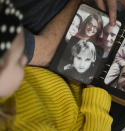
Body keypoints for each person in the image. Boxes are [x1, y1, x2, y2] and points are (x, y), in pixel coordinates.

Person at [0, 2, 112, 130]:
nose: (26, 59)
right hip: (93, 108)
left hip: (67, 77)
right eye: (18, 61)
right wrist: (97, 95)